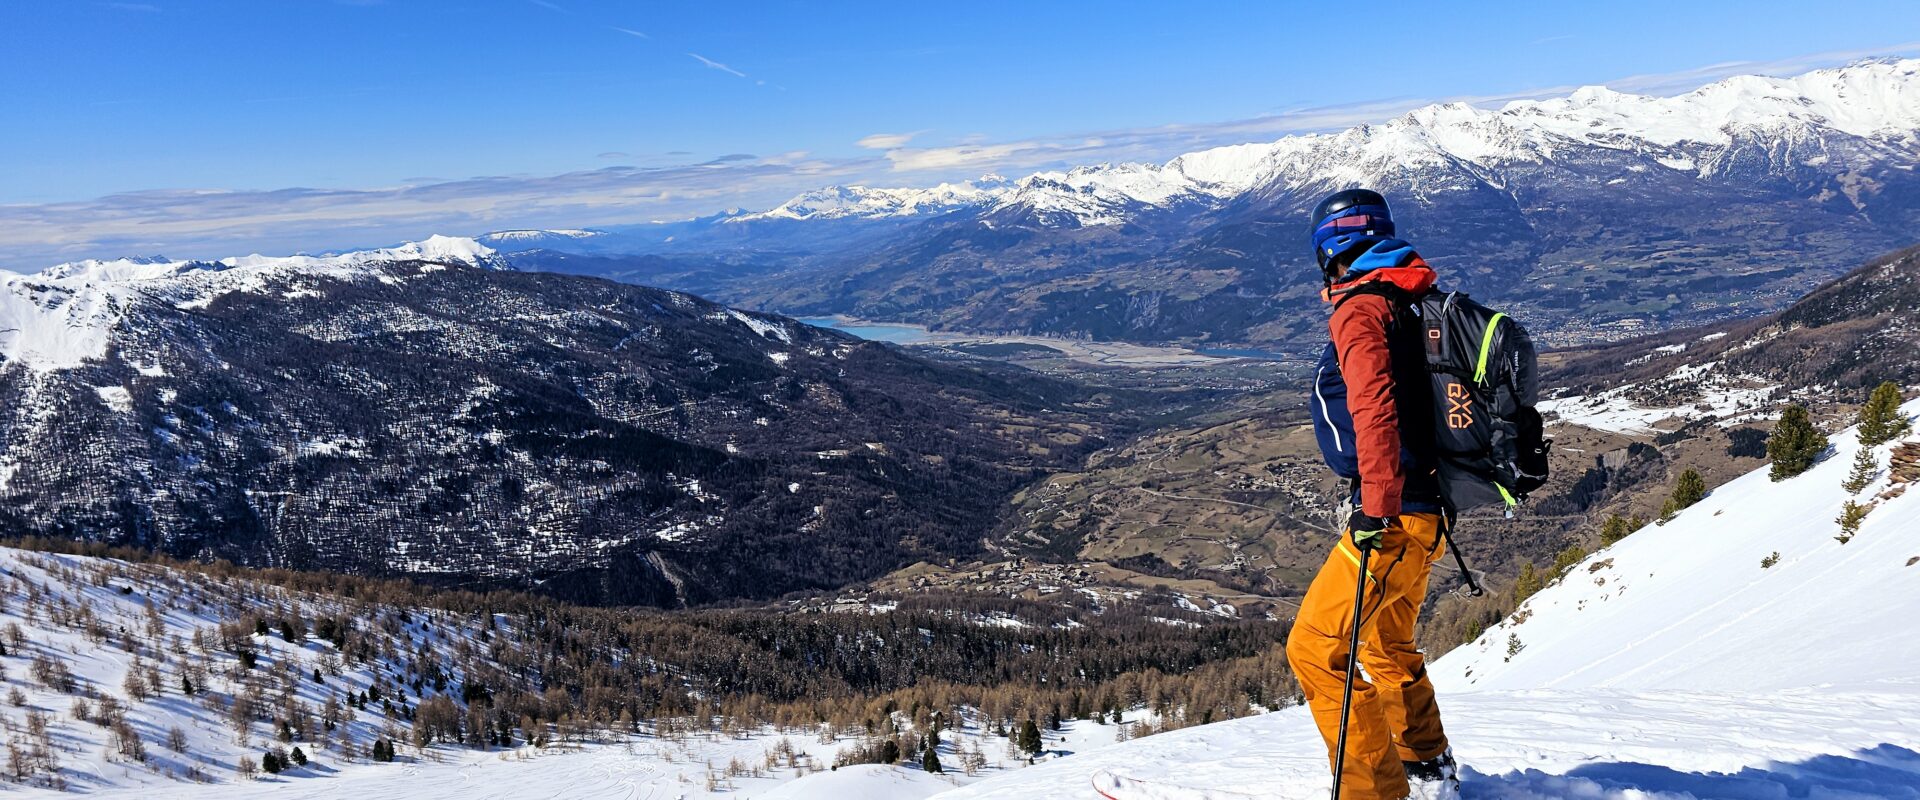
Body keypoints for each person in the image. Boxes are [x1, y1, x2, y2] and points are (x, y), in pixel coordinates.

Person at [1287, 189, 1461, 800]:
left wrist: (1374, 505)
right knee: (1386, 642)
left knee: (1314, 648)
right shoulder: (1407, 297)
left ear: (1327, 249)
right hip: (1429, 512)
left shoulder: (1361, 310)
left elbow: (1373, 410)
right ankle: (1425, 762)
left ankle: (1372, 793)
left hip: (1395, 516)